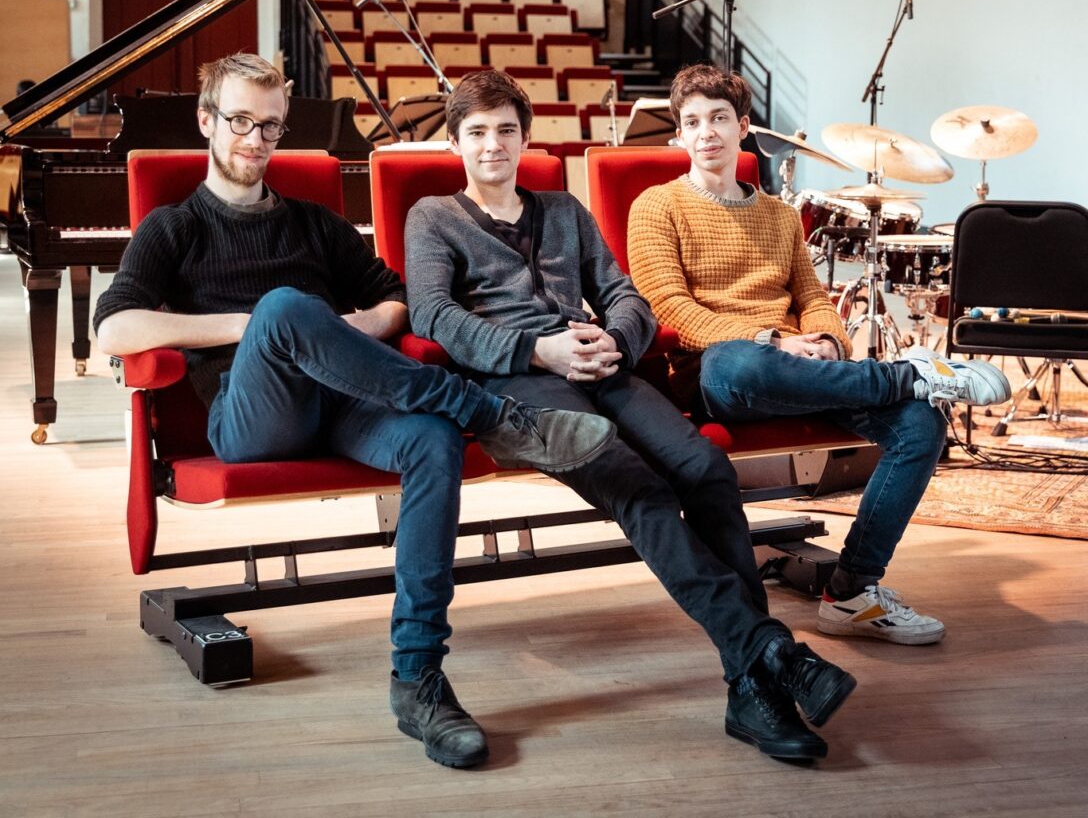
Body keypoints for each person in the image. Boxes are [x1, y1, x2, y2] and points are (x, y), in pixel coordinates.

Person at [92, 53, 616, 770]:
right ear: (207, 121)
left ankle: (418, 678)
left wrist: (350, 328)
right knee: (284, 307)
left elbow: (397, 300)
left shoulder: (315, 223)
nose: (255, 139)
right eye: (240, 121)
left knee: (431, 440)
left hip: (344, 404)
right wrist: (253, 324)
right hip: (252, 418)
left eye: (270, 126)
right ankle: (488, 411)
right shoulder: (173, 227)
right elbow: (114, 329)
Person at [405, 68, 859, 763]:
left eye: (506, 130)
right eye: (477, 132)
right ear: (454, 142)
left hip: (602, 367)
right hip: (520, 382)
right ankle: (768, 657)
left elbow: (624, 293)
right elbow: (434, 315)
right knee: (637, 488)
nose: (493, 144)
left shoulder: (562, 209)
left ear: (525, 138)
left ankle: (750, 684)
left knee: (705, 468)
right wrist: (538, 349)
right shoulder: (433, 216)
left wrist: (614, 338)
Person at [628, 64, 1012, 647]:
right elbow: (670, 308)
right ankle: (907, 375)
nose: (706, 133)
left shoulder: (780, 215)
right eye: (693, 122)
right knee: (739, 361)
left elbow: (812, 298)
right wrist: (774, 340)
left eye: (719, 119)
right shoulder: (657, 206)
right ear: (679, 134)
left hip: (804, 368)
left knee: (921, 424)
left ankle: (852, 591)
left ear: (743, 127)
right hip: (722, 372)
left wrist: (828, 340)